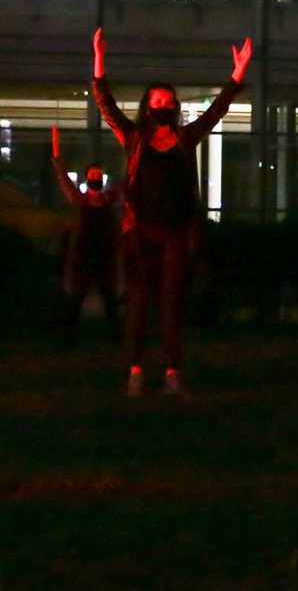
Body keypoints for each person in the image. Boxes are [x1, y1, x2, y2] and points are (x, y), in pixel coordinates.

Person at [92, 27, 251, 396]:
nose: (163, 106)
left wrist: (238, 72)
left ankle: (172, 372)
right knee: (139, 300)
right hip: (141, 231)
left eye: (169, 102)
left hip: (176, 231)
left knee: (170, 303)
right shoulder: (133, 138)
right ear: (147, 106)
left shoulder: (184, 138)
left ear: (175, 107)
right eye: (157, 101)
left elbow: (216, 112)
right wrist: (99, 60)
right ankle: (134, 371)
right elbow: (106, 105)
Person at [51, 125, 124, 346]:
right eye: (93, 175)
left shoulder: (109, 199)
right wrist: (56, 147)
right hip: (84, 256)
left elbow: (128, 180)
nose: (96, 178)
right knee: (77, 298)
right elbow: (62, 174)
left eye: (98, 175)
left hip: (105, 256)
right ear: (87, 178)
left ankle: (115, 338)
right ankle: (68, 338)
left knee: (110, 299)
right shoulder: (79, 199)